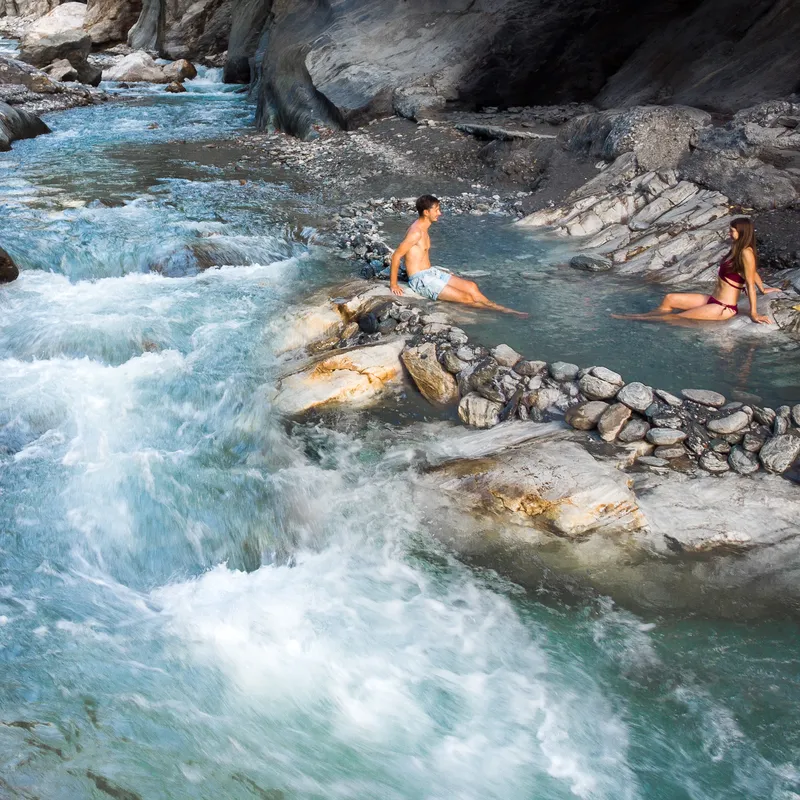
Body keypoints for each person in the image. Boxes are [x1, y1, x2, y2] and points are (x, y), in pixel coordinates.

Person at [612, 217, 780, 324]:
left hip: (723, 307)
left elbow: (749, 282)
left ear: (742, 232)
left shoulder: (746, 252)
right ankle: (647, 316)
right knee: (670, 298)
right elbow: (754, 272)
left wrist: (754, 313)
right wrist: (764, 289)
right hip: (713, 300)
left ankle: (634, 319)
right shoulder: (737, 247)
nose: (729, 233)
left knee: (675, 318)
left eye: (732, 231)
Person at [389, 195, 527, 316]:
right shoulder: (416, 233)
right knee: (466, 298)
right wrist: (394, 285)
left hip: (431, 273)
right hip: (421, 280)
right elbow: (396, 256)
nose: (440, 213)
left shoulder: (423, 228)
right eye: (436, 210)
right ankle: (498, 314)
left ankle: (500, 308)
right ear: (426, 212)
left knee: (471, 286)